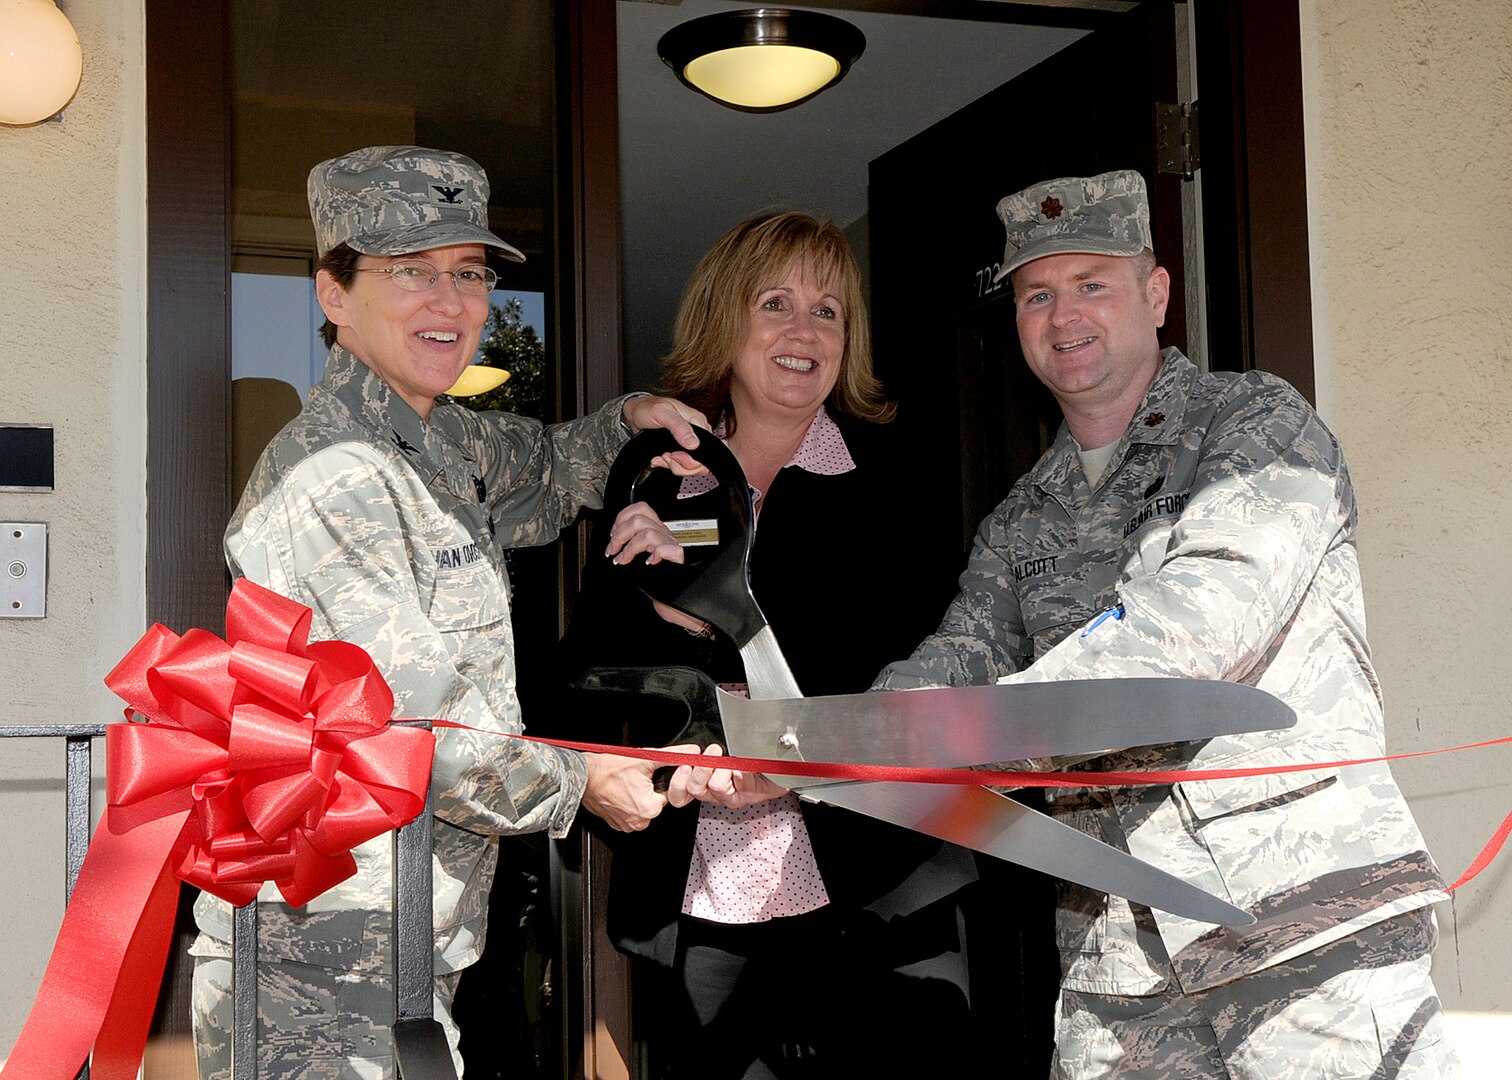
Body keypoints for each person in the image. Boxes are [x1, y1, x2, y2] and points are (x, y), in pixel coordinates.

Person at [873, 169, 1462, 1077]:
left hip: (1301, 922)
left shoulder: (1255, 425)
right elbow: (958, 656)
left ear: (1156, 295)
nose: (1064, 315)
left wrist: (969, 737)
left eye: (1092, 284)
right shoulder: (1021, 517)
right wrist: (822, 741)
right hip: (1120, 965)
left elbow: (1184, 637)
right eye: (1037, 294)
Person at [188, 144, 707, 1080]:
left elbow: (549, 467)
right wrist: (581, 783)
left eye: (467, 273)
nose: (452, 301)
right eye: (411, 272)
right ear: (333, 295)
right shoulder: (335, 476)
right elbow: (416, 726)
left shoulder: (437, 436)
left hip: (403, 949)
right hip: (320, 961)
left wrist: (633, 419)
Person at [559, 210, 982, 1078]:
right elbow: (584, 683)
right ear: (726, 320)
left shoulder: (897, 478)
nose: (803, 330)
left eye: (828, 311)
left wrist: (721, 598)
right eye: (776, 303)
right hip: (706, 889)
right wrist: (667, 615)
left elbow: (917, 667)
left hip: (882, 884)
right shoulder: (651, 475)